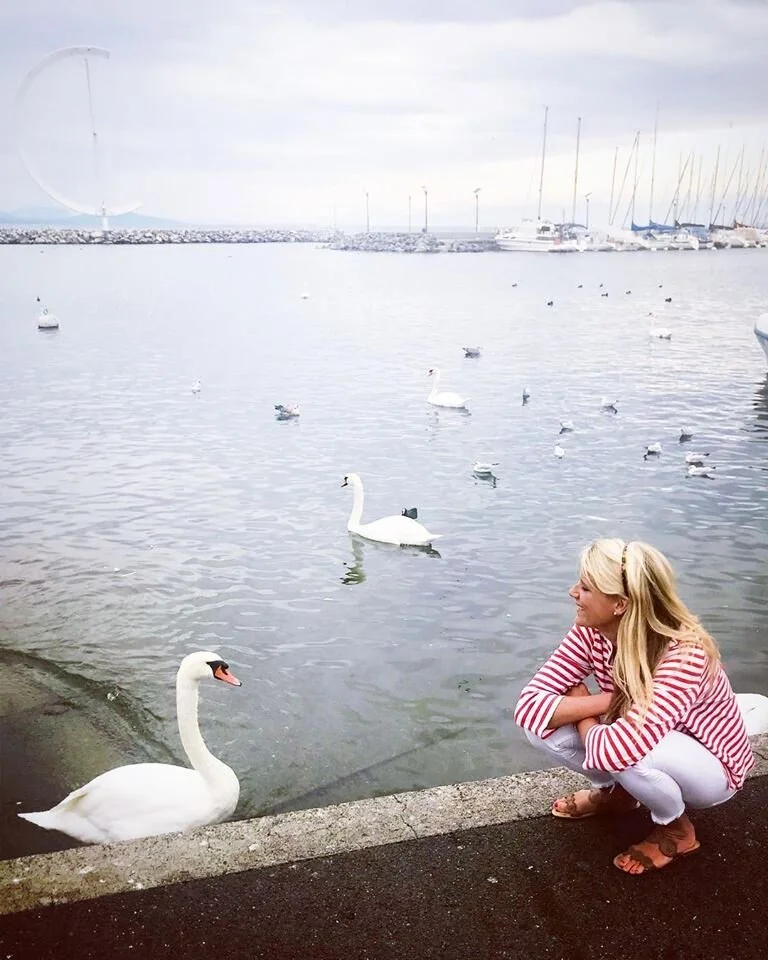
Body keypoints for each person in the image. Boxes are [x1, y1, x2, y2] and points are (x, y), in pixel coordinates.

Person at [514, 538, 754, 875]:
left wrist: (584, 711)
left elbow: (620, 751)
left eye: (585, 587)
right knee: (541, 730)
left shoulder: (683, 653)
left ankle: (677, 831)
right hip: (640, 731)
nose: (573, 592)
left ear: (621, 604)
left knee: (631, 753)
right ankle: (618, 795)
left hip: (712, 766)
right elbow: (528, 706)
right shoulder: (592, 631)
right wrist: (611, 701)